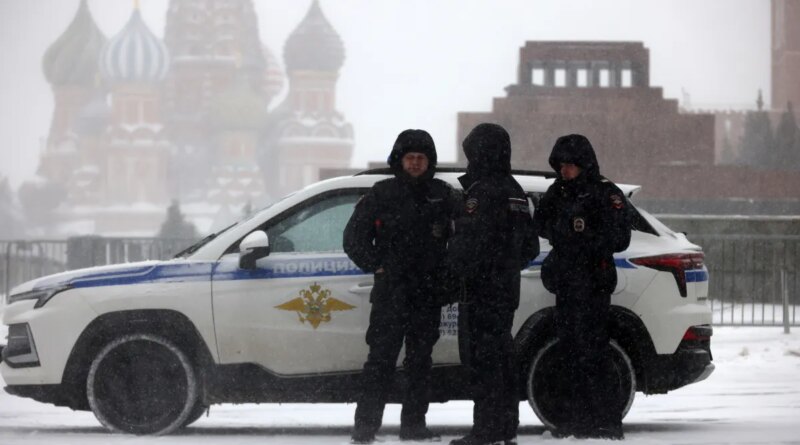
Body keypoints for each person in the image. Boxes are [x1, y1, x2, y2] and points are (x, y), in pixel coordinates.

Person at [344, 129, 457, 444]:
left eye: (422, 158)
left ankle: (414, 426)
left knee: (420, 362)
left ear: (429, 162)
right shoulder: (381, 194)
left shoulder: (443, 195)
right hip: (391, 294)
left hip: (428, 294)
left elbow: (462, 238)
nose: (416, 163)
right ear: (400, 160)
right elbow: (354, 238)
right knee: (380, 360)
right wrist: (376, 264)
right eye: (411, 158)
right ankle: (365, 428)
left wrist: (448, 274)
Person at [534, 134, 632, 440]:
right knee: (568, 354)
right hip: (566, 285)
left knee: (596, 354)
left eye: (570, 166)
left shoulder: (605, 193)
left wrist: (584, 239)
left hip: (593, 284)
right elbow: (541, 223)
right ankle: (576, 419)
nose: (565, 171)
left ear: (584, 165)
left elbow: (620, 237)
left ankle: (606, 420)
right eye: (561, 166)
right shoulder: (556, 193)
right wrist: (562, 234)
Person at [448, 123, 539, 445]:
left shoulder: (486, 190)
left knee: (484, 360)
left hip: (482, 290)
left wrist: (472, 267)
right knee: (500, 358)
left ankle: (486, 429)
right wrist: (504, 268)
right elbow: (529, 247)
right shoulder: (512, 188)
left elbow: (471, 243)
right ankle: (503, 427)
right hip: (500, 289)